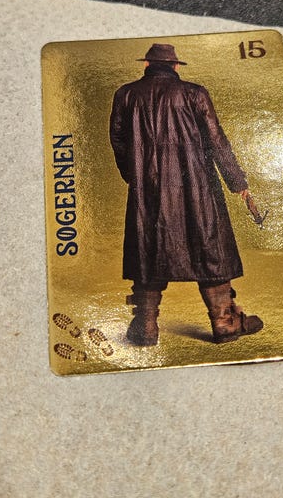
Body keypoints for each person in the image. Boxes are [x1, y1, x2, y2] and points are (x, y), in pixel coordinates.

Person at [109, 43, 263, 346]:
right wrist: (236, 181)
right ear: (176, 66)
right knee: (209, 247)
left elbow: (118, 139)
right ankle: (225, 322)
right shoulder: (195, 93)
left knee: (149, 249)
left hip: (148, 189)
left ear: (147, 65)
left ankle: (145, 326)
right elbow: (216, 140)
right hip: (197, 186)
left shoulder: (126, 94)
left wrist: (136, 176)